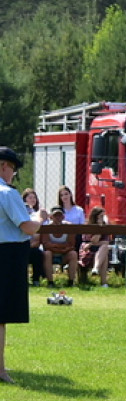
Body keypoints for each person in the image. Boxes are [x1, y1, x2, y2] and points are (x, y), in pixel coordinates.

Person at [1, 147, 42, 384]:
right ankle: (0, 370)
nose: (12, 175)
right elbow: (27, 227)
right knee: (1, 315)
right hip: (7, 254)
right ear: (5, 166)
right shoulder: (7, 193)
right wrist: (39, 219)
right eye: (13, 170)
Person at [41, 207, 78, 286]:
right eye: (55, 216)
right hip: (52, 254)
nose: (58, 218)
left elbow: (71, 244)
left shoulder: (69, 227)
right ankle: (50, 282)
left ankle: (71, 282)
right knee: (47, 253)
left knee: (73, 254)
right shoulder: (47, 227)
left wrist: (55, 247)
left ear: (63, 217)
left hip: (65, 254)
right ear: (51, 217)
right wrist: (62, 247)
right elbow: (46, 244)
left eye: (60, 216)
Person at [78, 206, 111, 287]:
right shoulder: (88, 226)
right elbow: (92, 240)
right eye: (101, 216)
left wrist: (92, 244)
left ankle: (96, 269)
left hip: (99, 251)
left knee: (105, 249)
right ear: (95, 216)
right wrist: (99, 231)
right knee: (104, 253)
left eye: (103, 216)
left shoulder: (105, 226)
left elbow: (106, 242)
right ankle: (104, 283)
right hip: (87, 252)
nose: (102, 218)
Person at [22, 188, 47, 286]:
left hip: (35, 244)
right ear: (24, 200)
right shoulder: (22, 213)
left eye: (34, 197)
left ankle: (36, 279)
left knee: (37, 254)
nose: (32, 200)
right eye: (30, 197)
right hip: (24, 242)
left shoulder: (39, 213)